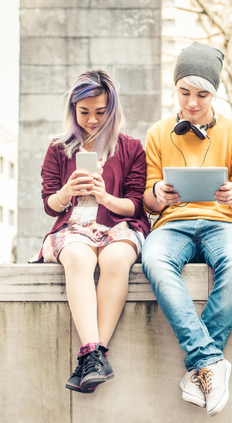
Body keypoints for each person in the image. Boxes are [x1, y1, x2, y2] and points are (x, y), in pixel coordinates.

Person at [141, 42, 232, 417]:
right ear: (175, 90)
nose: (192, 103)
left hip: (223, 222)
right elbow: (147, 200)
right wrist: (158, 194)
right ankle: (210, 360)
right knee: (154, 260)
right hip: (172, 223)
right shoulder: (159, 133)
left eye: (202, 94)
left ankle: (199, 367)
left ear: (215, 93)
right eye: (184, 93)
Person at [38, 69, 150, 393]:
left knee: (116, 259)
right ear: (73, 110)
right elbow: (50, 204)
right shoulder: (59, 149)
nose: (91, 120)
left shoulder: (130, 147)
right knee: (76, 257)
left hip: (118, 225)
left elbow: (136, 205)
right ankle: (94, 353)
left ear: (112, 109)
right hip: (73, 227)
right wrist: (66, 192)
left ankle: (90, 358)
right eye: (84, 112)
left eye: (100, 112)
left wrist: (105, 198)